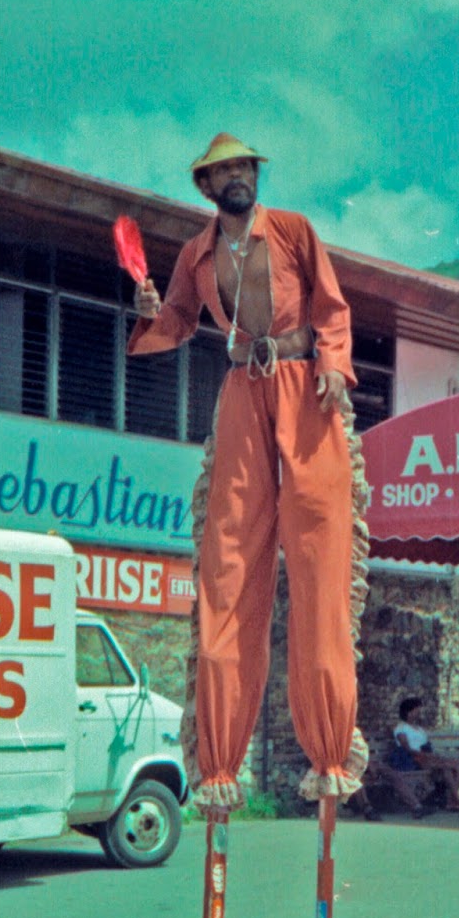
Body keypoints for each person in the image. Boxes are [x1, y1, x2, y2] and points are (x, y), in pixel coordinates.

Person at [127, 133, 368, 814]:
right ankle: (220, 762)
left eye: (244, 166)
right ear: (205, 187)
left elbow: (331, 309)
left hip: (302, 387)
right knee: (227, 562)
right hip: (242, 389)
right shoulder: (196, 254)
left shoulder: (293, 232)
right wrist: (152, 314)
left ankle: (329, 749)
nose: (237, 176)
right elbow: (176, 321)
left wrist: (332, 370)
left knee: (321, 558)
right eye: (223, 170)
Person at [391, 696, 459, 813]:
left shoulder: (419, 729)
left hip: (428, 756)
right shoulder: (401, 728)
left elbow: (427, 745)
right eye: (416, 710)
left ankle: (450, 801)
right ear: (409, 712)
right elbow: (407, 749)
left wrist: (433, 754)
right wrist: (426, 755)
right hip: (415, 758)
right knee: (446, 768)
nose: (419, 713)